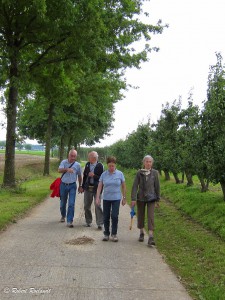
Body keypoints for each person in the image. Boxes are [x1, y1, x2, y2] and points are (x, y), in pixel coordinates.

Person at [131, 155, 160, 247]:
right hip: (141, 198)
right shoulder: (139, 173)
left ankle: (151, 237)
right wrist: (133, 198)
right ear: (144, 163)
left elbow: (157, 186)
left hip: (151, 198)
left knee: (151, 216)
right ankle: (141, 233)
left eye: (150, 162)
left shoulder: (155, 173)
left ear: (152, 163)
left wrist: (158, 199)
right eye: (147, 161)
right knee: (141, 215)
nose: (148, 163)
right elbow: (135, 186)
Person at [96, 156, 126, 242]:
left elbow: (124, 186)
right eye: (109, 166)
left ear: (115, 165)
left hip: (116, 198)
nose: (111, 168)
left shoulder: (120, 174)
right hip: (106, 198)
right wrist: (98, 197)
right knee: (106, 216)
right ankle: (106, 234)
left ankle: (114, 234)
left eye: (113, 166)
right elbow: (99, 187)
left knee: (114, 216)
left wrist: (124, 197)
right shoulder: (103, 174)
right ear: (107, 165)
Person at [58, 149, 82, 228]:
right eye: (71, 156)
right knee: (63, 203)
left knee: (71, 204)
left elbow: (79, 176)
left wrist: (80, 186)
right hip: (63, 184)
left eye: (74, 156)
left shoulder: (77, 165)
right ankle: (63, 215)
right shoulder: (64, 162)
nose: (73, 157)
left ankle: (69, 221)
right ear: (68, 155)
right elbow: (59, 170)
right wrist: (67, 169)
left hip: (72, 185)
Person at [81, 151, 104, 229]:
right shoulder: (87, 164)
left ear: (94, 158)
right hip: (88, 188)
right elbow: (84, 176)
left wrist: (94, 175)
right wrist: (82, 186)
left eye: (89, 157)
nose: (88, 158)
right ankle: (88, 221)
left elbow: (102, 178)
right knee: (87, 205)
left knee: (98, 205)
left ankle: (100, 223)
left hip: (97, 189)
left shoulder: (100, 166)